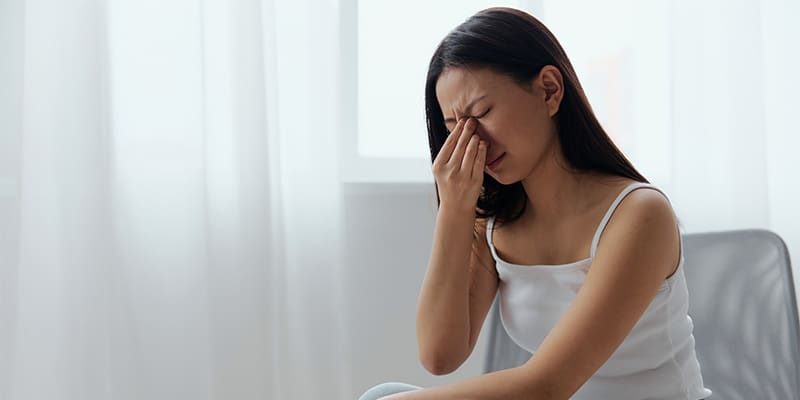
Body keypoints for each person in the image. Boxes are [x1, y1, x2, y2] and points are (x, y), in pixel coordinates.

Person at [359, 7, 711, 400]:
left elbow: (546, 385)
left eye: (482, 113)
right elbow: (440, 355)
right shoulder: (492, 223)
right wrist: (454, 211)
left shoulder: (639, 215)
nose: (472, 140)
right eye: (453, 127)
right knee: (383, 392)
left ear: (549, 90)